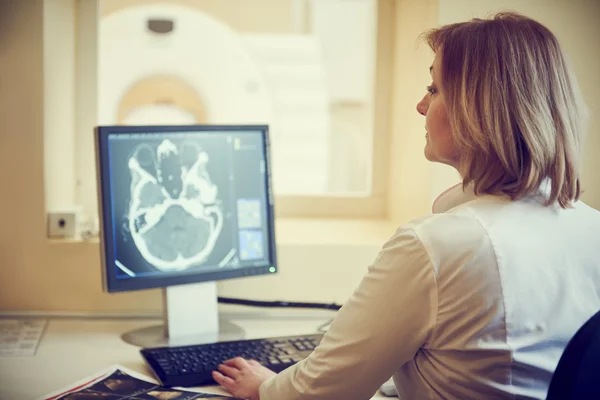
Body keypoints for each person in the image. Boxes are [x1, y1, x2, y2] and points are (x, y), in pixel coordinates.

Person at [211, 12, 600, 400]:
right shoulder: (590, 227)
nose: (419, 106)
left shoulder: (439, 245)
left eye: (434, 89)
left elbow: (321, 393)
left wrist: (265, 387)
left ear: (479, 107)